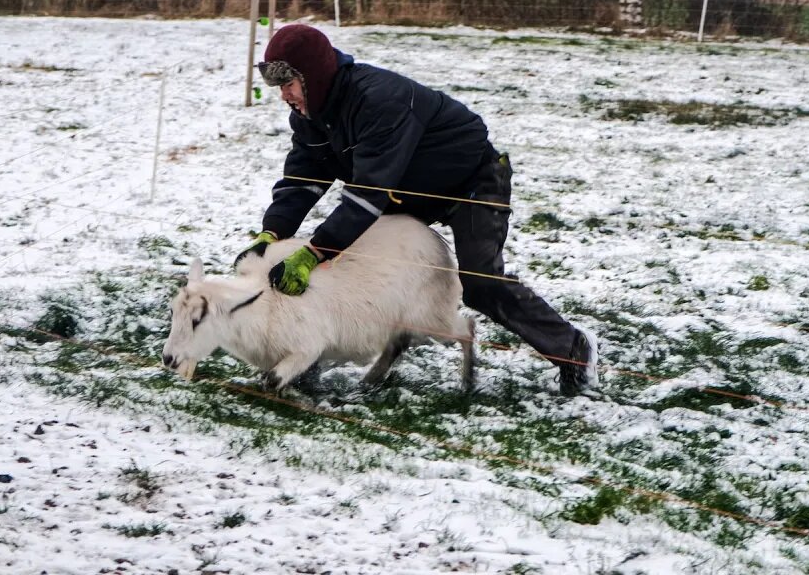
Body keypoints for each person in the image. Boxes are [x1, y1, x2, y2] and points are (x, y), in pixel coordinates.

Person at [237, 23, 597, 396]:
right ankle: (307, 360)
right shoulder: (311, 115)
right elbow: (302, 179)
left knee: (481, 285)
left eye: (289, 84)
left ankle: (573, 351)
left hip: (472, 184)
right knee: (346, 266)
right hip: (404, 192)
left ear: (313, 76)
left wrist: (314, 252)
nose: (284, 95)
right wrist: (273, 231)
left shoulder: (378, 100)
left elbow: (367, 193)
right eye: (278, 86)